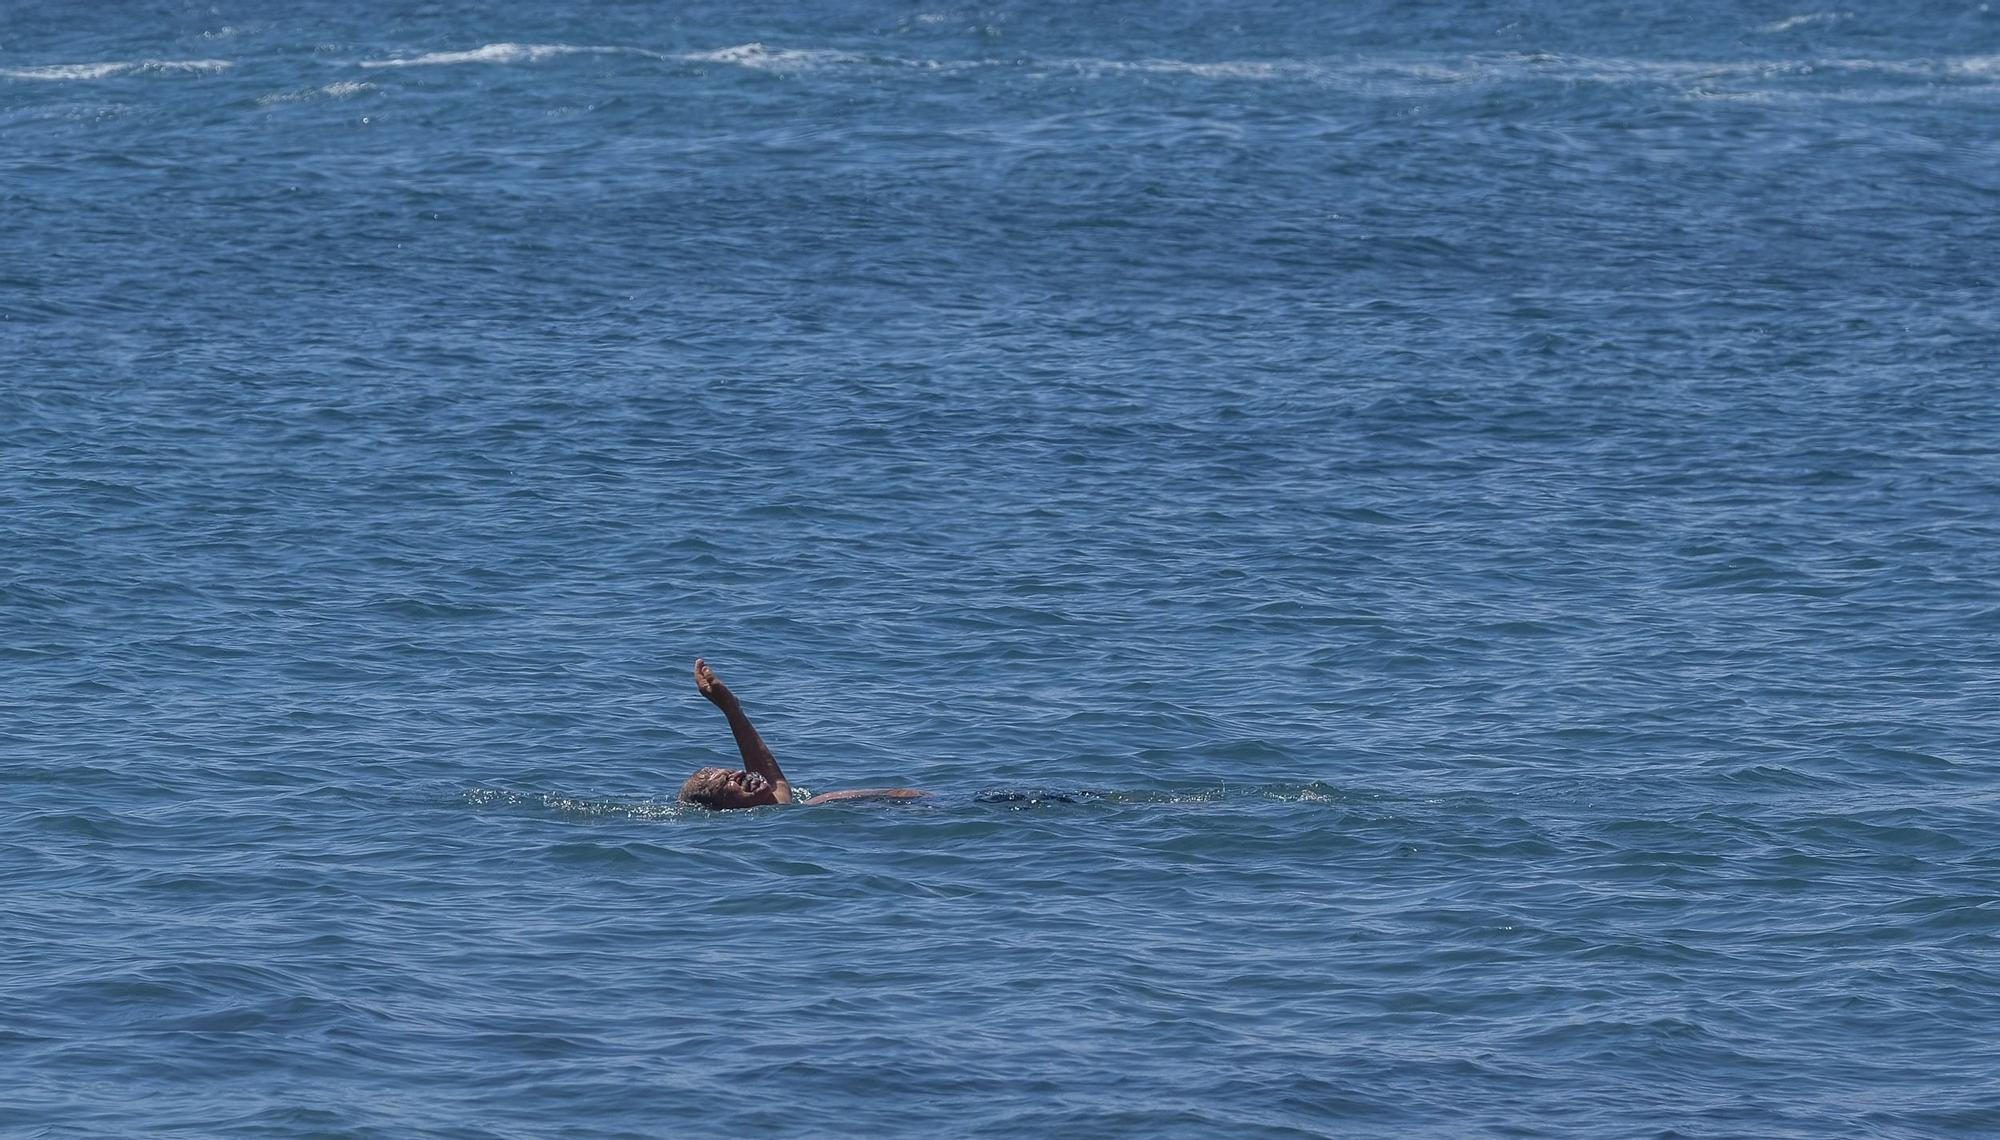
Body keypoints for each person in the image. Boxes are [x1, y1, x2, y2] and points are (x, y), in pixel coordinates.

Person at [679, 659, 928, 810]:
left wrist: (732, 709)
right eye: (727, 781)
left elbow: (774, 782)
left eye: (734, 771)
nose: (743, 775)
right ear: (724, 807)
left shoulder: (777, 806)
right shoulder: (768, 824)